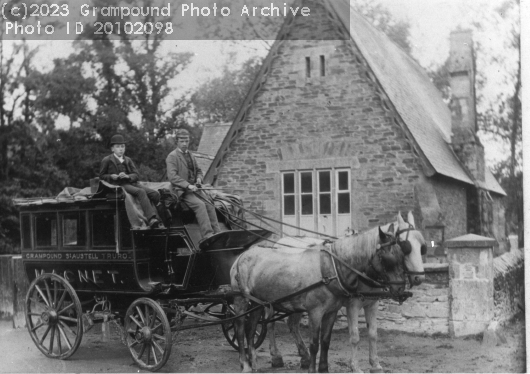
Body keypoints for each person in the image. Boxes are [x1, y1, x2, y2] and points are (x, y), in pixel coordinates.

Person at [166, 129, 221, 241]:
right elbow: (172, 177)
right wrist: (188, 185)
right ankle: (208, 235)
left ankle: (218, 233)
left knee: (209, 203)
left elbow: (199, 171)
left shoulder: (191, 155)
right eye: (182, 141)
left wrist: (199, 179)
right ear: (177, 141)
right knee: (200, 205)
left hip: (195, 189)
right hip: (182, 191)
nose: (185, 143)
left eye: (186, 141)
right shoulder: (172, 156)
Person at [99, 134, 164, 229]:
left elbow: (136, 175)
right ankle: (151, 219)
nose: (121, 149)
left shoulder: (128, 160)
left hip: (132, 182)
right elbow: (101, 176)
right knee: (140, 192)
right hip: (121, 185)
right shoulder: (107, 160)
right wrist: (111, 177)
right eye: (117, 147)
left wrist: (128, 176)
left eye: (122, 146)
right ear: (112, 149)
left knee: (155, 194)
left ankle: (161, 219)